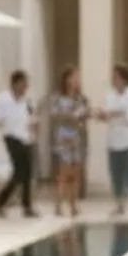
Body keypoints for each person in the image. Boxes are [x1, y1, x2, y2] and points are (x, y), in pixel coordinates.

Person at [47, 66, 91, 218]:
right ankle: (58, 204)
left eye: (78, 78)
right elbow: (55, 115)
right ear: (66, 79)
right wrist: (69, 117)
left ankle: (73, 204)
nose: (76, 80)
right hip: (63, 138)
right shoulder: (58, 98)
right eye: (74, 77)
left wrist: (79, 119)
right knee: (64, 173)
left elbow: (83, 117)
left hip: (77, 138)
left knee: (76, 173)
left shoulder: (81, 99)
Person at [101, 64, 128, 215]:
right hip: (113, 141)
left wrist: (116, 114)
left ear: (123, 79)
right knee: (116, 174)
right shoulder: (110, 95)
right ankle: (120, 204)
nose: (113, 80)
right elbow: (107, 115)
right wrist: (110, 115)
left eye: (116, 77)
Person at [0, 70, 36, 218]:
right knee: (20, 171)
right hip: (11, 137)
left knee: (27, 172)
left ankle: (27, 207)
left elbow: (30, 118)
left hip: (26, 138)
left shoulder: (26, 101)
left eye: (26, 85)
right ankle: (1, 201)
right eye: (23, 84)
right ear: (15, 84)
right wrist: (4, 118)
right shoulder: (3, 99)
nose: (25, 87)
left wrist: (34, 127)